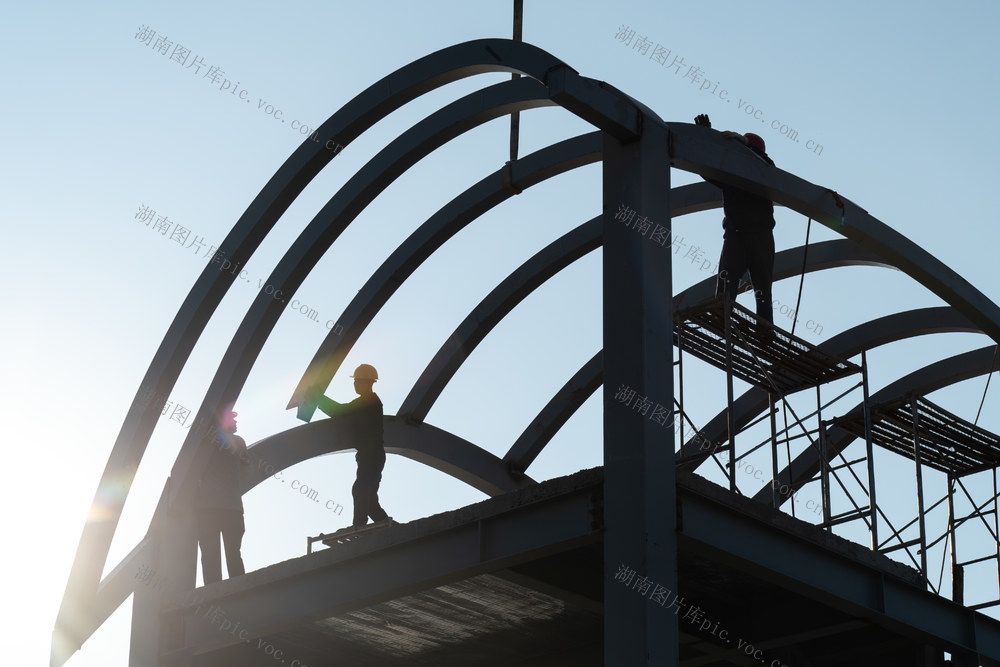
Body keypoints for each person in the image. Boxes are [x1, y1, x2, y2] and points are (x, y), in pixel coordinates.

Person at [694, 113, 777, 323]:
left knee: (762, 288)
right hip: (737, 234)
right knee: (726, 284)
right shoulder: (731, 177)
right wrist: (705, 135)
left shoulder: (764, 172)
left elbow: (766, 165)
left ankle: (764, 331)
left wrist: (746, 144)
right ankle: (723, 319)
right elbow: (706, 167)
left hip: (759, 235)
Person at [316, 364, 392, 528]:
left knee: (360, 489)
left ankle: (359, 525)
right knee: (370, 502)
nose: (355, 384)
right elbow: (343, 413)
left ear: (369, 382)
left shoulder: (369, 401)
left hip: (372, 456)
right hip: (370, 456)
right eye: (355, 381)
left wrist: (318, 398)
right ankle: (390, 528)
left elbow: (339, 411)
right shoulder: (368, 402)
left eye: (358, 380)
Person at [195, 408, 249, 585]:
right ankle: (240, 589)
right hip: (231, 509)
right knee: (234, 555)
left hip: (207, 510)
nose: (235, 422)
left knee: (210, 557)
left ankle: (213, 593)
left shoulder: (203, 442)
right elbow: (246, 469)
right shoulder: (238, 442)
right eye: (231, 419)